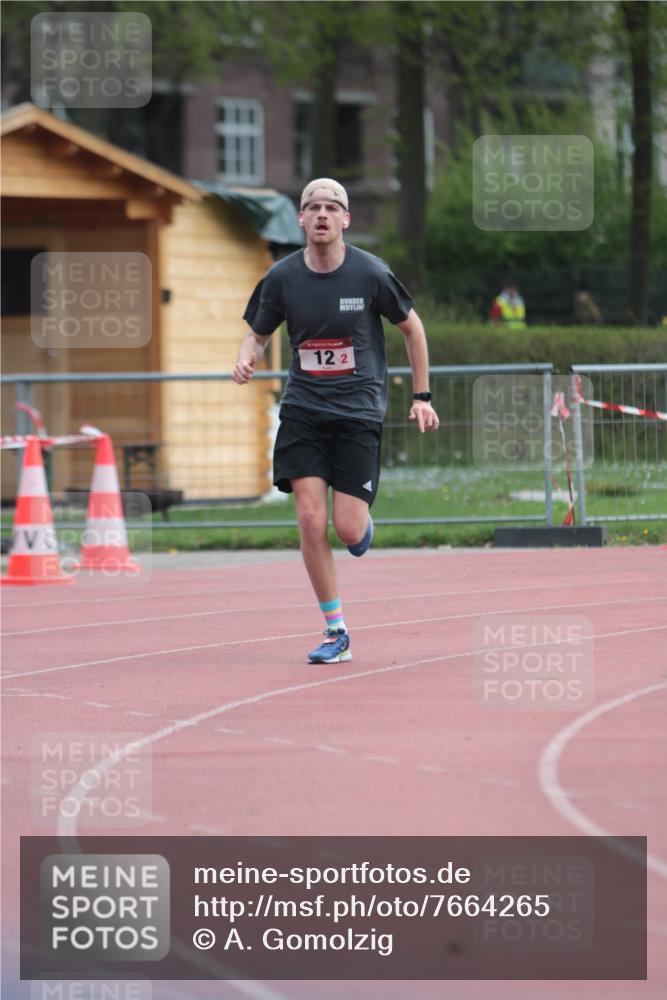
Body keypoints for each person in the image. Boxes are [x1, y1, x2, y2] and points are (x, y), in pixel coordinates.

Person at [233, 177, 439, 665]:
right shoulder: (282, 278)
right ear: (300, 220)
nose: (321, 214)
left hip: (357, 412)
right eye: (312, 207)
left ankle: (361, 526)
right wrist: (246, 357)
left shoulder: (370, 274)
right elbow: (256, 334)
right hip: (304, 409)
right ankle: (335, 628)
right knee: (309, 517)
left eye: (331, 207)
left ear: (345, 219)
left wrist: (422, 396)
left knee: (346, 529)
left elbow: (413, 329)